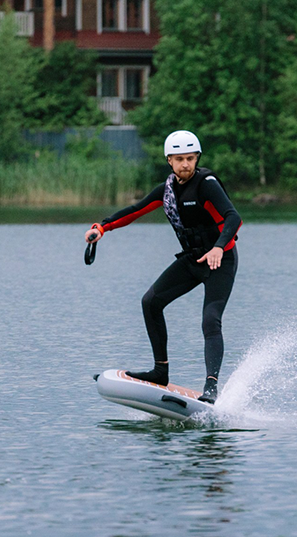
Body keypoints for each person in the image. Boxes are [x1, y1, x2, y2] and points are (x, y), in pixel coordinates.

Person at [85, 130, 242, 403]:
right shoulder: (167, 191)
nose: (185, 164)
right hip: (192, 259)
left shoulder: (207, 184)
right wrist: (102, 227)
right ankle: (160, 371)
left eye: (190, 158)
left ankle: (211, 387)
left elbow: (233, 217)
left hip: (221, 260)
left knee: (210, 319)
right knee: (151, 302)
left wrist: (218, 247)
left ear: (197, 158)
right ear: (169, 160)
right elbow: (135, 210)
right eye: (179, 159)